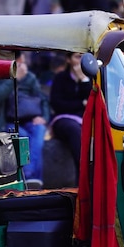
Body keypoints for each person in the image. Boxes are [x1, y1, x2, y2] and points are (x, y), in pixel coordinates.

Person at [0, 52, 49, 188]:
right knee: (23, 136)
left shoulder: (29, 77)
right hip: (5, 122)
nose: (22, 66)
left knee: (39, 131)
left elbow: (42, 99)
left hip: (29, 119)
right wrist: (14, 78)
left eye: (23, 62)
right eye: (19, 63)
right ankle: (31, 177)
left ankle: (32, 177)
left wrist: (43, 117)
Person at [49, 52, 92, 180]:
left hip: (85, 120)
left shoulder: (91, 79)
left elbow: (92, 101)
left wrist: (84, 80)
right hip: (63, 120)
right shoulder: (61, 78)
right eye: (78, 57)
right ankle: (83, 177)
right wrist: (81, 103)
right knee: (74, 130)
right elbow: (57, 104)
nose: (81, 61)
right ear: (68, 59)